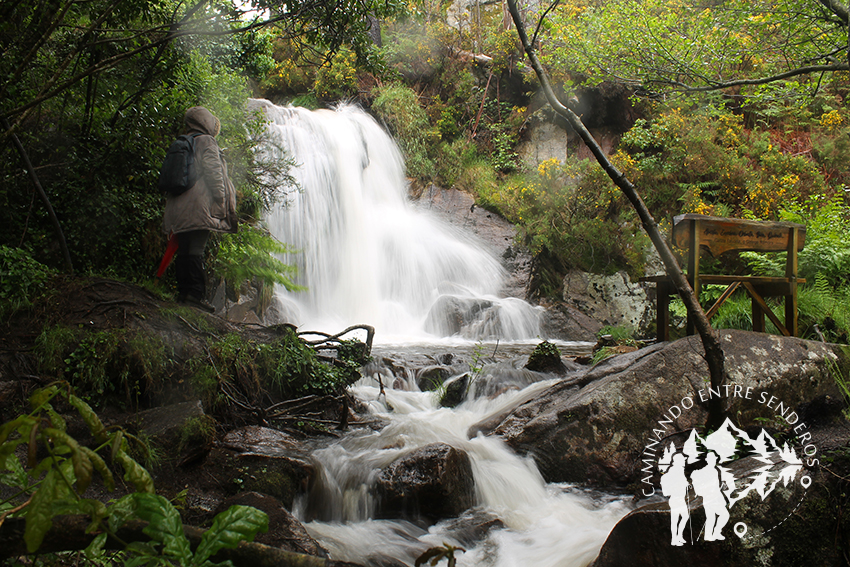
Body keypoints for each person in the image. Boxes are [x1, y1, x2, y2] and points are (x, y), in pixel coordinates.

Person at [162, 106, 237, 312]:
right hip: (199, 206)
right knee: (196, 250)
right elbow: (214, 174)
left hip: (179, 206)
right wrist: (221, 201)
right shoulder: (206, 141)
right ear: (207, 122)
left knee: (184, 249)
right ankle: (195, 296)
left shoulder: (185, 141)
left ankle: (184, 294)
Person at [660, 451, 690, 546]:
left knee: (685, 516)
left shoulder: (679, 470)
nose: (684, 462)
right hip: (675, 498)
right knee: (676, 519)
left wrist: (687, 484)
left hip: (680, 498)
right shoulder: (674, 470)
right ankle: (674, 539)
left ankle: (679, 536)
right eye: (682, 461)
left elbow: (683, 481)